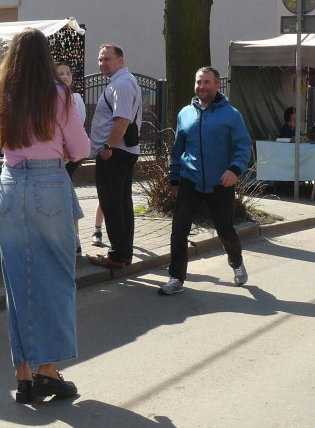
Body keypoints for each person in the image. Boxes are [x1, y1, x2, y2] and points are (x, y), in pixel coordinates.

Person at [0, 28, 90, 403]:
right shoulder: (59, 94)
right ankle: (48, 370)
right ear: (45, 57)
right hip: (49, 181)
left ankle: (23, 374)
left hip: (10, 184)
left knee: (16, 280)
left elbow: (0, 141)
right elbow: (80, 146)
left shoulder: (0, 93)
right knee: (55, 278)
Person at [159, 67, 252, 296]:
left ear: (218, 85)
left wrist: (234, 170)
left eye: (207, 82)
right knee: (179, 230)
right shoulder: (185, 114)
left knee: (225, 230)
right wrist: (174, 178)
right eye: (199, 82)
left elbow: (243, 146)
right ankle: (176, 277)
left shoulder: (231, 115)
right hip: (190, 180)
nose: (202, 86)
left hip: (220, 183)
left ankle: (236, 262)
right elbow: (178, 148)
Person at [87, 44, 142, 270]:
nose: (102, 64)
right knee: (121, 204)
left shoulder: (121, 83)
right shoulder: (122, 82)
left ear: (120, 60)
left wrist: (108, 146)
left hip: (115, 153)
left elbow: (122, 119)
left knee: (112, 205)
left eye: (107, 59)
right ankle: (124, 253)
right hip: (121, 152)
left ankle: (117, 255)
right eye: (100, 59)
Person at [56, 61, 87, 254]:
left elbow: (77, 126)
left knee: (66, 193)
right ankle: (73, 239)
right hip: (56, 155)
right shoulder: (53, 96)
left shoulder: (75, 97)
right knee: (66, 193)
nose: (66, 76)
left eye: (68, 73)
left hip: (69, 155)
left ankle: (73, 238)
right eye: (61, 73)